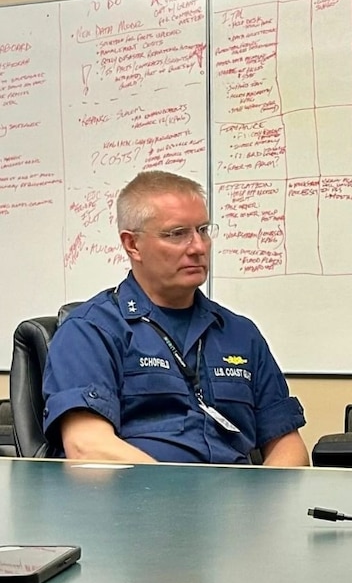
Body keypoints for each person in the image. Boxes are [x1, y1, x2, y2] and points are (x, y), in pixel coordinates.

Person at [42, 171, 309, 466]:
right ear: (132, 245)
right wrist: (180, 499)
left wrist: (262, 506)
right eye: (177, 233)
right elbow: (88, 446)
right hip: (138, 501)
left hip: (235, 503)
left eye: (203, 230)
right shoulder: (91, 330)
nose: (197, 247)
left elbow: (288, 444)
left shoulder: (239, 333)